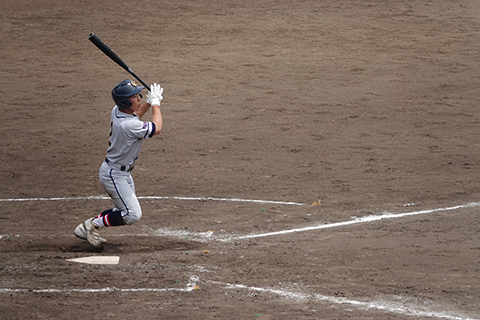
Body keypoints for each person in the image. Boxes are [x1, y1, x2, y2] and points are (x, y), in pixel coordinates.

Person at [74, 79, 164, 249]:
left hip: (120, 172)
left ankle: (91, 225)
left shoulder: (118, 111)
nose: (138, 97)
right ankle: (91, 225)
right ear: (124, 102)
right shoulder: (128, 125)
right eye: (134, 96)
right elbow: (156, 128)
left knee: (124, 210)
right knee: (132, 215)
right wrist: (155, 104)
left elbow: (136, 114)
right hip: (115, 175)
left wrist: (146, 102)